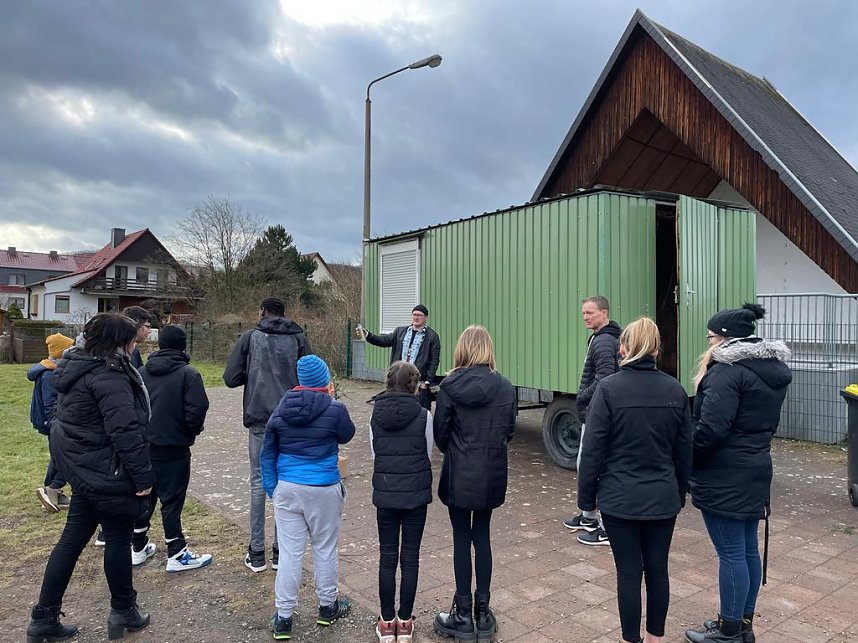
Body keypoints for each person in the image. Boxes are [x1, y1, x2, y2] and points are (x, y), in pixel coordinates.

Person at [26, 313, 154, 643]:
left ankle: (44, 617)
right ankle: (123, 610)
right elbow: (125, 431)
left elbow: (64, 423)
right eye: (131, 340)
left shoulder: (75, 368)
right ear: (118, 342)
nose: (133, 345)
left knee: (71, 541)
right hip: (108, 472)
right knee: (116, 538)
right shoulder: (108, 376)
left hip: (85, 472)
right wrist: (143, 478)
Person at [577, 317, 692, 643]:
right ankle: (655, 637)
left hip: (618, 499)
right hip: (662, 498)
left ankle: (631, 639)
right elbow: (685, 451)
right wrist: (679, 492)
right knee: (658, 570)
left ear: (624, 348)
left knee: (628, 573)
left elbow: (593, 450)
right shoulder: (675, 390)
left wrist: (587, 500)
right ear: (656, 348)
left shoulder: (609, 389)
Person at [685, 304, 791, 643]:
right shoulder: (770, 371)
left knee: (731, 552)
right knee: (746, 550)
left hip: (724, 473)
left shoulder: (726, 373)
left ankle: (728, 629)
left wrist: (683, 454)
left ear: (726, 339)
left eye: (711, 336)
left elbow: (711, 431)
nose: (708, 343)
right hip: (755, 468)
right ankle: (742, 625)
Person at [261, 355, 355, 640]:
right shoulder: (335, 408)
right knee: (324, 548)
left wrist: (272, 489)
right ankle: (328, 607)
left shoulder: (280, 409)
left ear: (300, 381)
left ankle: (284, 618)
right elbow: (347, 435)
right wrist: (333, 400)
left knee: (290, 553)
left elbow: (267, 452)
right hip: (324, 488)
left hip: (288, 488)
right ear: (325, 381)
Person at [432, 325, 516, 643]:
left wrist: (456, 448)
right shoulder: (506, 387)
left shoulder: (451, 385)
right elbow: (508, 431)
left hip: (459, 473)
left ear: (462, 348)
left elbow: (441, 433)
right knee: (482, 537)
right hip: (491, 473)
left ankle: (463, 613)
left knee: (460, 540)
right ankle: (483, 612)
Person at [223, 297, 312, 573]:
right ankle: (279, 551)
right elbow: (310, 374)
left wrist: (253, 373)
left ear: (262, 312)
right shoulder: (298, 337)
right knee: (286, 481)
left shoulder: (251, 337)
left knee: (259, 481)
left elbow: (229, 377)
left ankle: (257, 552)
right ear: (285, 314)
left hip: (260, 416)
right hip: (291, 417)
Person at [131, 325, 213, 572]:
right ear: (183, 345)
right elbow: (197, 410)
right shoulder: (189, 374)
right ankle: (176, 552)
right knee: (172, 499)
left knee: (145, 496)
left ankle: (137, 546)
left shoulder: (141, 372)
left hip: (144, 446)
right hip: (174, 447)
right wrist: (189, 432)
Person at [370, 361, 434, 643]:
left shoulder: (374, 415)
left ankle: (386, 622)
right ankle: (405, 622)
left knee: (387, 558)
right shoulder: (424, 415)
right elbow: (428, 454)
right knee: (410, 558)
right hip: (415, 494)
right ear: (414, 385)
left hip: (385, 493)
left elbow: (375, 454)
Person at [564, 295, 621, 547]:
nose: (585, 317)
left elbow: (605, 378)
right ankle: (588, 515)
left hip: (598, 413)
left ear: (604, 313)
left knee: (592, 466)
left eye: (590, 313)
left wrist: (582, 397)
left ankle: (604, 525)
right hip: (594, 411)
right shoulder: (599, 338)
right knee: (584, 465)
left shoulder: (605, 341)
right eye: (584, 313)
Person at [358, 304, 441, 410]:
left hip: (417, 381)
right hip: (398, 379)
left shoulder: (432, 336)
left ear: (425, 318)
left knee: (418, 410)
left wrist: (427, 382)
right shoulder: (400, 331)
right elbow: (383, 341)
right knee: (396, 408)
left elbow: (434, 360)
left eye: (420, 315)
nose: (416, 317)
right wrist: (368, 335)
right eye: (414, 314)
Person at [29, 333, 75, 513]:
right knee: (64, 455)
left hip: (53, 421)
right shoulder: (49, 373)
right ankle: (52, 488)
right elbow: (50, 403)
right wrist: (56, 422)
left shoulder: (50, 369)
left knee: (59, 454)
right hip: (53, 421)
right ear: (61, 353)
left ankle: (52, 491)